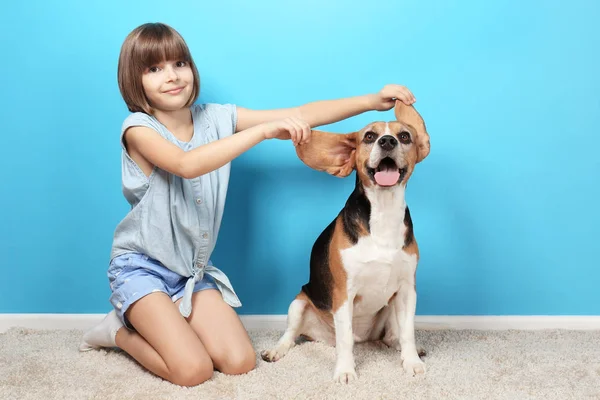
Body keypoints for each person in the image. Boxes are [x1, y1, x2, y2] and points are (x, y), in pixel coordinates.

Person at [79, 22, 417, 387]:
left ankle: (169, 321)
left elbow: (302, 112)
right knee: (192, 371)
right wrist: (262, 131)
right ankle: (116, 331)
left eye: (179, 64)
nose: (172, 76)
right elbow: (185, 163)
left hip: (189, 274)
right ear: (135, 80)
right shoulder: (138, 130)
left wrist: (371, 100)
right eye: (154, 69)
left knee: (239, 362)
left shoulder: (216, 118)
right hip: (143, 269)